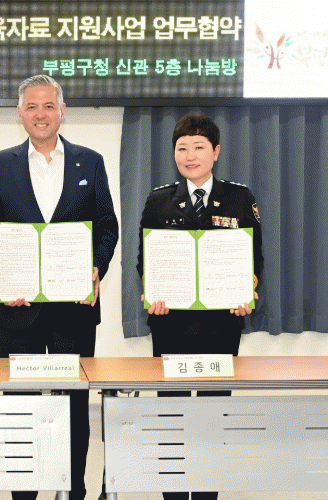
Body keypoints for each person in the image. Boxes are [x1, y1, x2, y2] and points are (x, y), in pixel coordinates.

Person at [0, 74, 119, 500]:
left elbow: (107, 225)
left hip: (74, 309)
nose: (41, 114)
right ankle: (24, 493)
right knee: (20, 407)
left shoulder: (90, 162)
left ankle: (73, 490)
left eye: (49, 106)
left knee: (74, 406)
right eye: (32, 107)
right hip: (18, 311)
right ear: (20, 114)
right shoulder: (1, 163)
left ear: (62, 112)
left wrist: (96, 267)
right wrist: (5, 278)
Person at [137, 111, 263, 500]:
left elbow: (254, 258)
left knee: (212, 416)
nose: (190, 156)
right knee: (172, 415)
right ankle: (173, 494)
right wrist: (150, 293)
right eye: (182, 148)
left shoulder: (239, 197)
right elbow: (145, 261)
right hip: (170, 326)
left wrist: (247, 294)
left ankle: (207, 494)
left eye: (199, 147)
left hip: (221, 326)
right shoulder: (159, 200)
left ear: (216, 152)